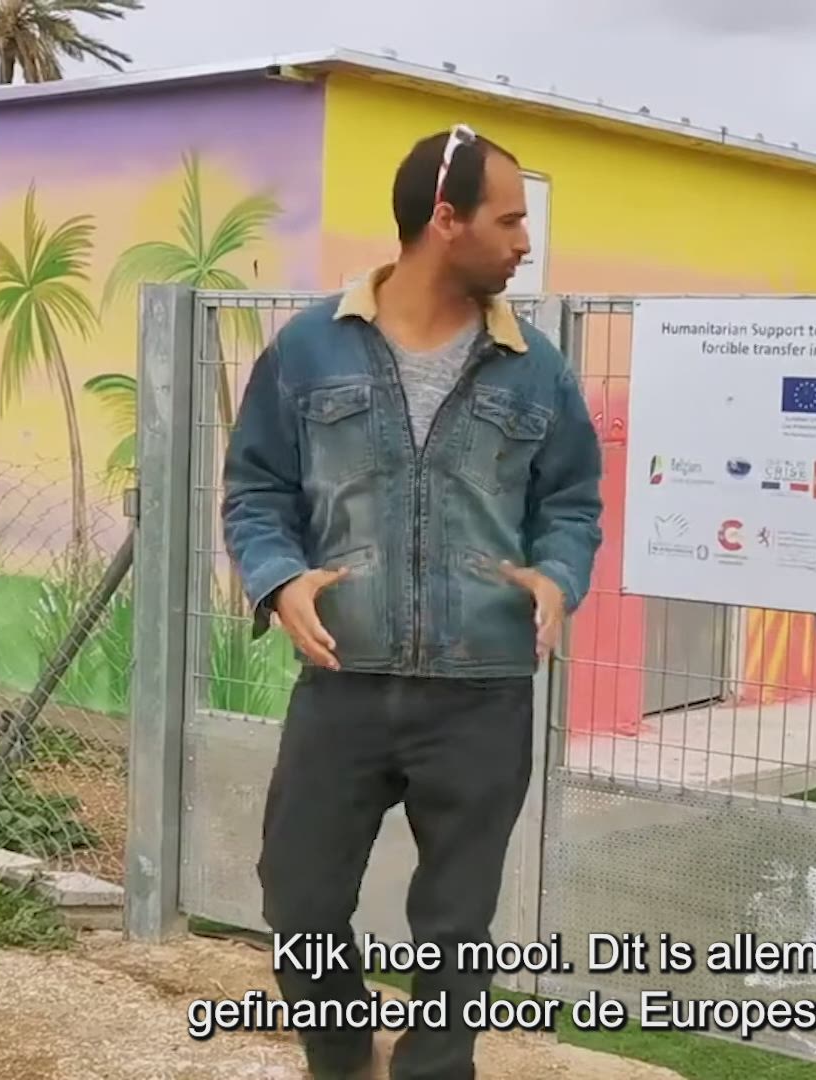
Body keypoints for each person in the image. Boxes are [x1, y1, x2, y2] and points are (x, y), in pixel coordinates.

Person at [220, 123, 604, 1080]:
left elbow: (571, 502)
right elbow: (257, 489)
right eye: (508, 220)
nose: (524, 242)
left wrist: (559, 573)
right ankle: (342, 1059)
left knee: (456, 926)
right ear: (445, 219)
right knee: (299, 901)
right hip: (343, 680)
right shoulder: (310, 348)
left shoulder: (537, 366)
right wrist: (279, 577)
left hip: (483, 688)